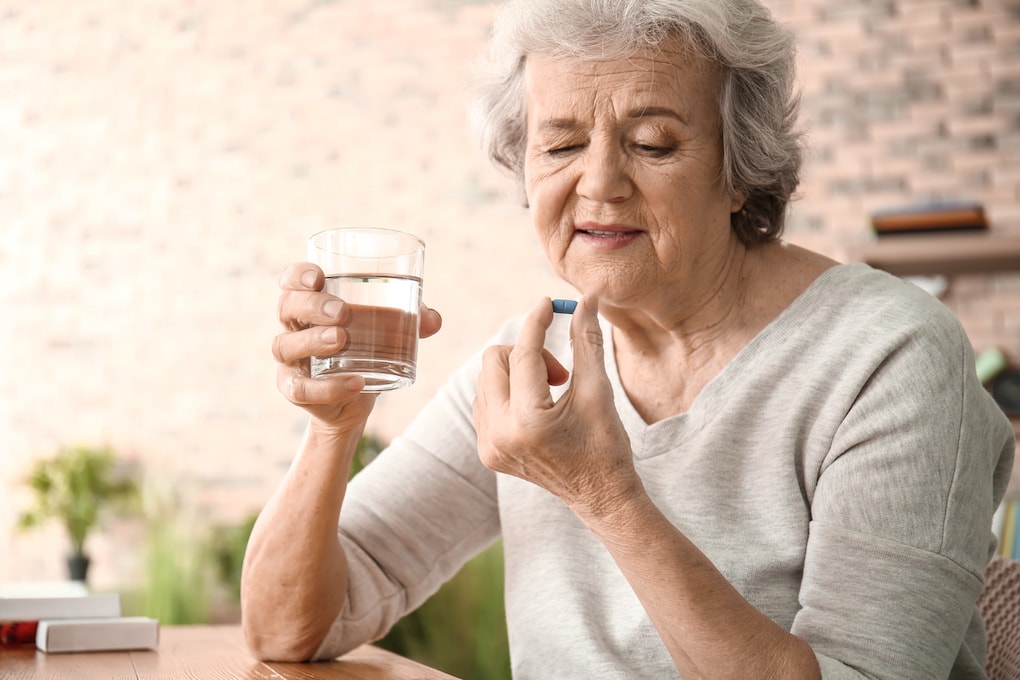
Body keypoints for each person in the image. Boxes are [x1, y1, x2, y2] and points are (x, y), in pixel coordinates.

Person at [241, 0, 1015, 677]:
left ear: (740, 169)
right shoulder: (531, 367)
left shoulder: (888, 357)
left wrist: (605, 495)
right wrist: (333, 428)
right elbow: (289, 629)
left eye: (652, 143)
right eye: (561, 144)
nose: (600, 184)